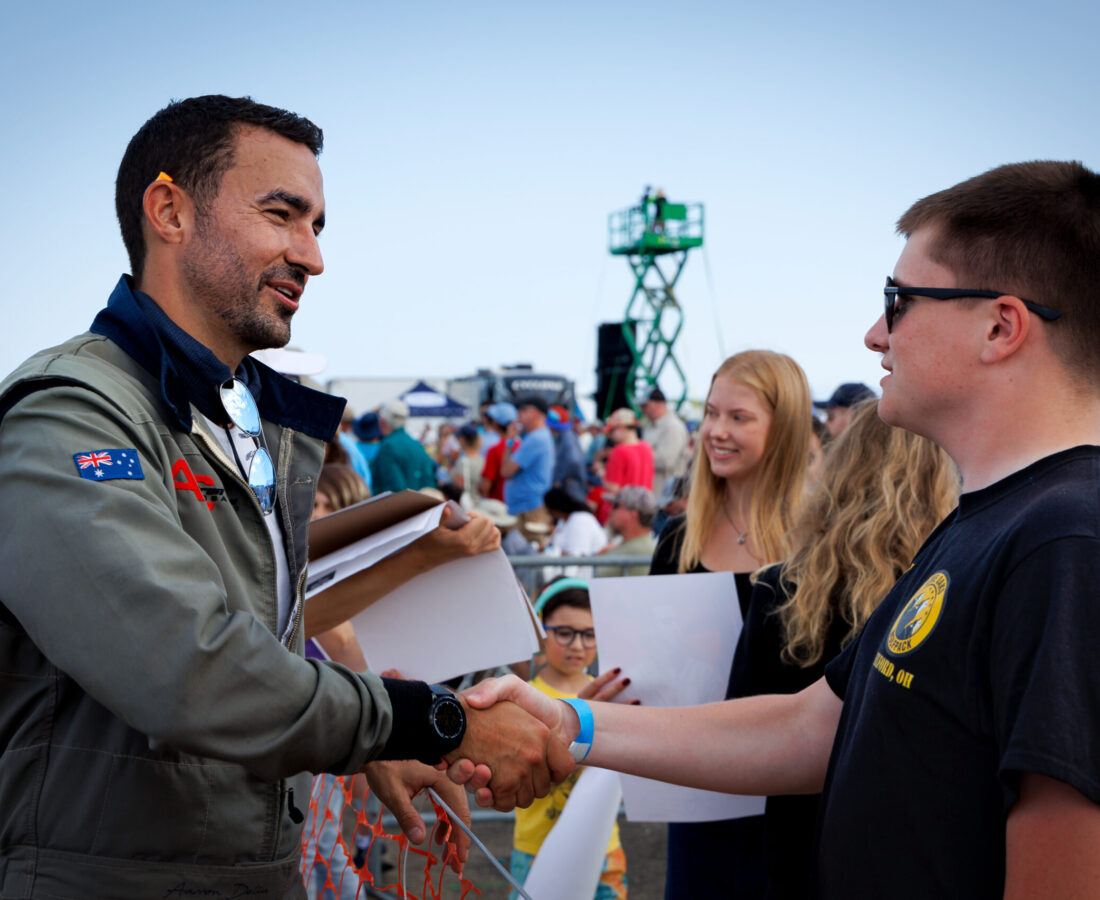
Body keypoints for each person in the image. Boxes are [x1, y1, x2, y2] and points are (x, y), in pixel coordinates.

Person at [457, 160, 1100, 899]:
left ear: (999, 325)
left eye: (899, 301)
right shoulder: (989, 523)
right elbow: (807, 730)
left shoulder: (1069, 543)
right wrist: (570, 718)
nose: (872, 334)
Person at [0, 94, 570, 899]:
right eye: (281, 215)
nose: (312, 256)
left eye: (317, 226)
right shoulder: (71, 411)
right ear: (169, 210)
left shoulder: (234, 420)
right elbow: (191, 669)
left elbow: (271, 635)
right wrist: (437, 719)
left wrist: (365, 743)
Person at [727, 400, 958, 898]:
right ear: (939, 480)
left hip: (796, 835)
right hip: (910, 836)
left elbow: (743, 716)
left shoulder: (779, 586)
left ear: (839, 470)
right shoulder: (945, 590)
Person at [648, 349, 812, 898]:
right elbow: (653, 668)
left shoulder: (822, 543)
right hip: (697, 797)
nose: (716, 431)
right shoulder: (676, 542)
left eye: (738, 417)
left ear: (783, 428)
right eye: (711, 414)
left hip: (792, 808)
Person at [510, 578, 627, 900]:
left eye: (589, 634)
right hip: (538, 848)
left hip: (605, 845)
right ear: (540, 632)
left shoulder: (612, 695)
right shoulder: (524, 698)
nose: (578, 645)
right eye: (565, 632)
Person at [502, 394, 556, 543]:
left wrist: (509, 442)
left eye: (522, 410)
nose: (518, 415)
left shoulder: (536, 438)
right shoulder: (537, 437)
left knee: (525, 559)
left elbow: (506, 471)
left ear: (535, 413)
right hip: (527, 508)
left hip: (528, 510)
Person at [369, 398, 437, 494]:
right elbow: (430, 484)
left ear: (382, 422)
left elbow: (392, 490)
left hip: (399, 507)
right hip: (423, 506)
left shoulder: (387, 447)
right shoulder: (418, 446)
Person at [594, 485, 658, 577]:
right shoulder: (630, 546)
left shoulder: (642, 551)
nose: (610, 510)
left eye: (616, 506)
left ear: (633, 514)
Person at [641, 386, 689, 492]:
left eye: (645, 406)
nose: (642, 409)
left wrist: (638, 455)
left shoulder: (673, 426)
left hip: (664, 495)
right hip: (651, 492)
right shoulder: (650, 427)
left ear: (659, 404)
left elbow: (666, 461)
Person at [601, 407, 655, 495]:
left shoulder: (619, 451)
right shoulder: (647, 447)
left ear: (621, 428)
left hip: (623, 506)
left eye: (611, 431)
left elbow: (613, 488)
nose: (610, 436)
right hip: (643, 504)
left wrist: (600, 473)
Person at [549, 405, 588, 505]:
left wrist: (560, 479)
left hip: (570, 489)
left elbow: (574, 460)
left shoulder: (566, 437)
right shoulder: (564, 436)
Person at [479, 401, 518, 502]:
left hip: (497, 506)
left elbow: (485, 487)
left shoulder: (494, 449)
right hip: (516, 505)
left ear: (495, 424)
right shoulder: (521, 446)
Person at [451, 422, 484, 508]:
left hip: (468, 507)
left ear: (462, 439)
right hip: (481, 504)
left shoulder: (463, 461)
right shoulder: (483, 460)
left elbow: (457, 486)